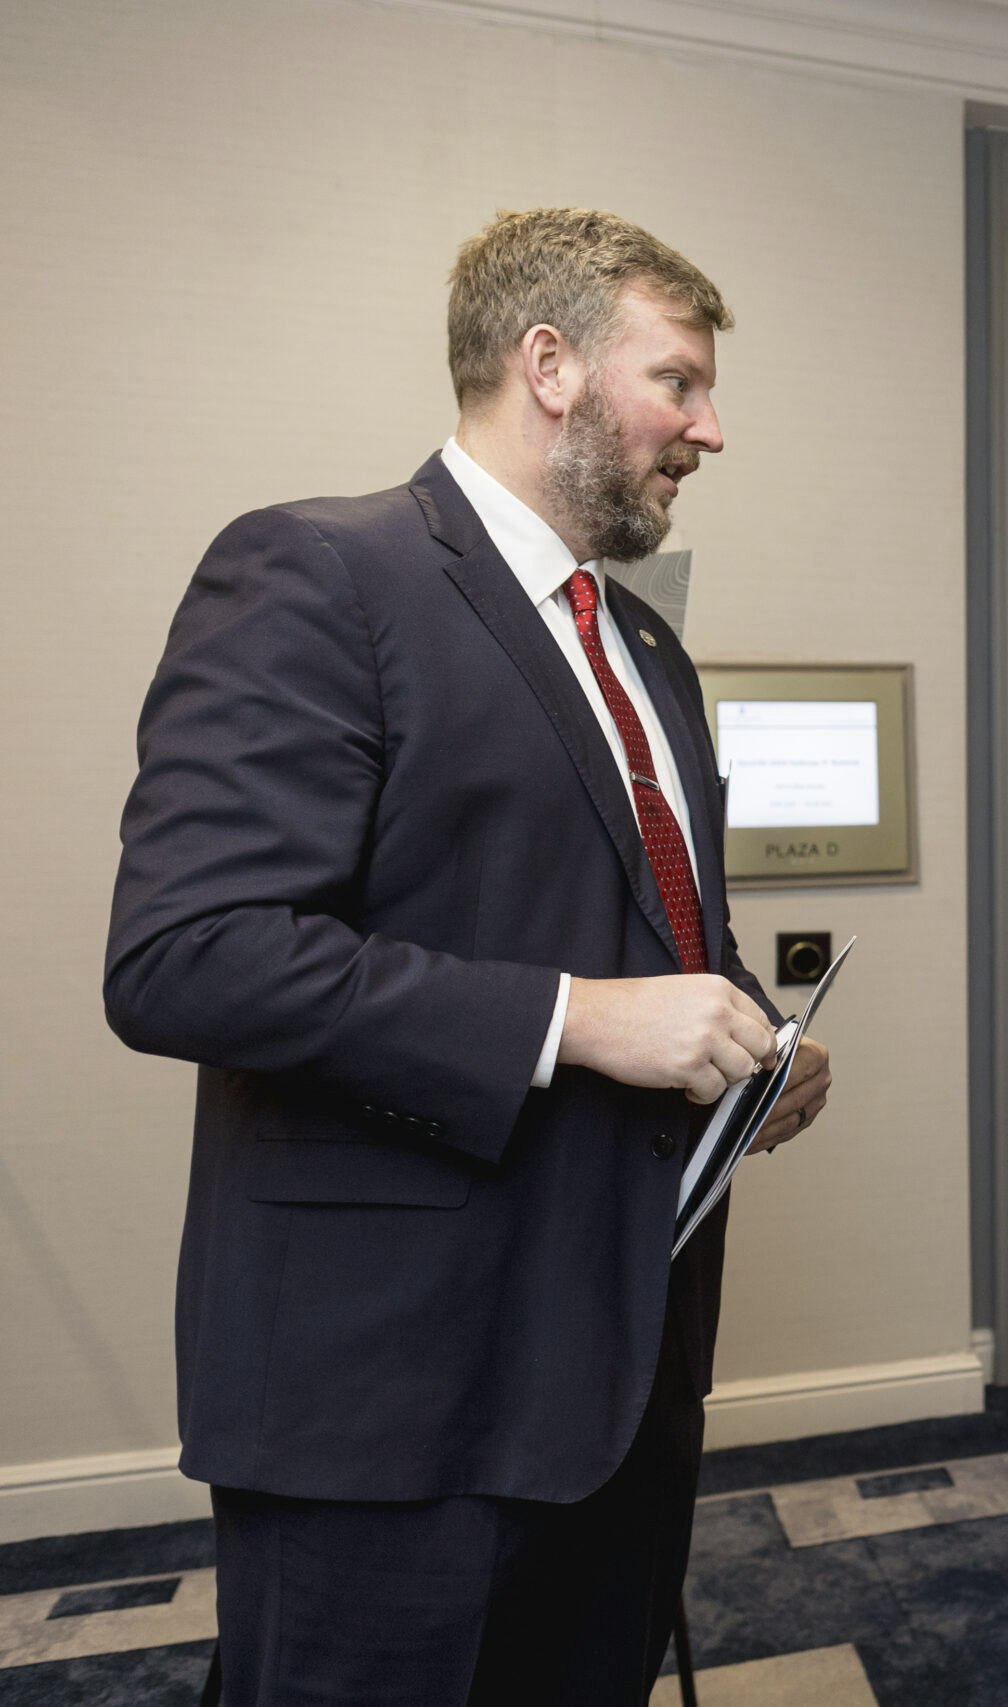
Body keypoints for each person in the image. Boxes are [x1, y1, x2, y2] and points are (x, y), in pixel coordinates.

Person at [103, 208, 831, 1704]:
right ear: (547, 364)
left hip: (621, 1372)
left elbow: (652, 929)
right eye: (679, 381)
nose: (709, 429)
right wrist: (580, 1020)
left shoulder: (647, 648)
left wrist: (748, 1034)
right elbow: (189, 954)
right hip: (391, 1390)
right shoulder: (319, 572)